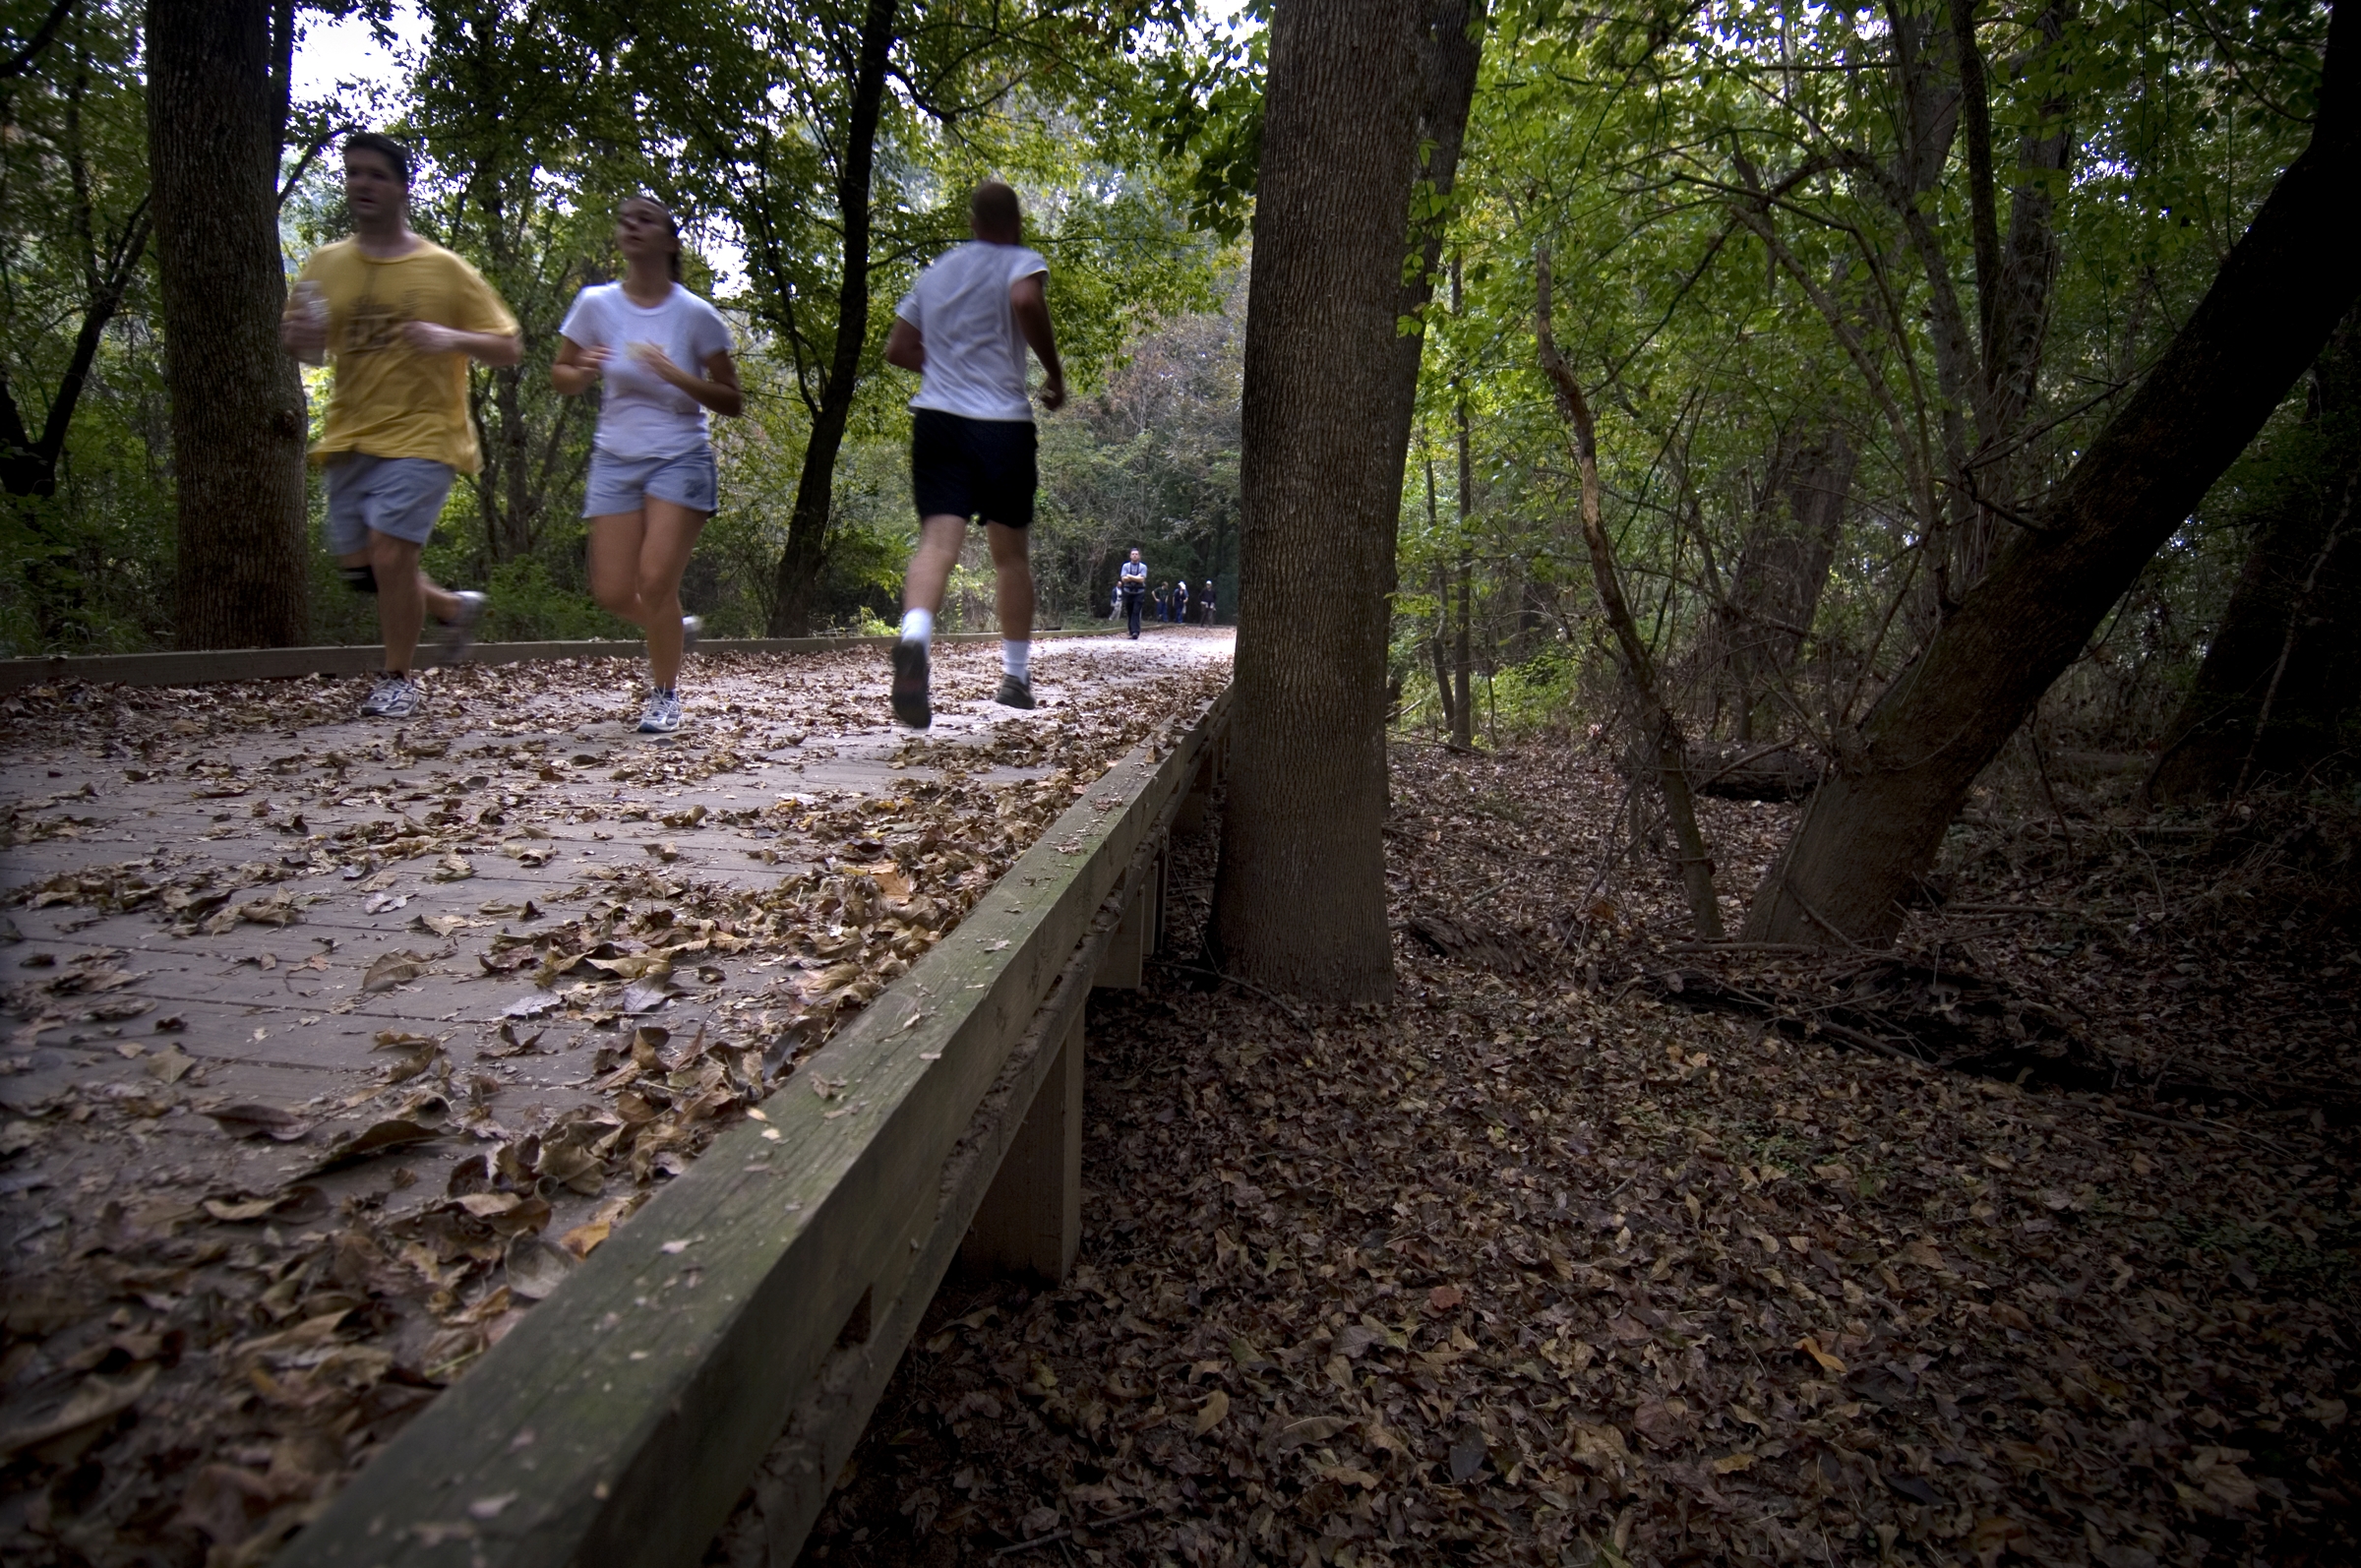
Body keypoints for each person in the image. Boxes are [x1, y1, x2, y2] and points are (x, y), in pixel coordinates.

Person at [281, 132, 518, 719]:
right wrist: (300, 340)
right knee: (362, 568)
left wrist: (449, 337)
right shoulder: (326, 265)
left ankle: (397, 679)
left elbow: (508, 345)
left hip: (426, 432)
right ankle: (449, 607)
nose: (362, 183)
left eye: (376, 175)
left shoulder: (443, 269)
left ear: (401, 188)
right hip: (351, 431)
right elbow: (308, 344)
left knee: (391, 556)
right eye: (354, 173)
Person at [552, 196, 743, 735]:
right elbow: (560, 375)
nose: (631, 226)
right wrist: (583, 369)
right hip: (615, 456)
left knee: (655, 580)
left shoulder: (694, 314)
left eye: (646, 219)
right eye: (625, 219)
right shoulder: (595, 305)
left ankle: (664, 694)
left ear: (669, 240)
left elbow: (731, 398)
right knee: (613, 591)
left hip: (680, 455)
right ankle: (675, 629)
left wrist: (675, 374)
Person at [882, 181, 1065, 728]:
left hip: (937, 421)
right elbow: (1026, 300)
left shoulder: (937, 272)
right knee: (1009, 554)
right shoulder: (1018, 260)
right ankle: (1015, 676)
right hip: (1001, 425)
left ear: (973, 221)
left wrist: (944, 371)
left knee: (938, 539)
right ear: (1015, 225)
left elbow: (898, 348)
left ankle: (915, 638)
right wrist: (1053, 374)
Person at [1119, 549, 1147, 638]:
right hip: (1128, 592)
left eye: (1136, 554)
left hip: (1139, 592)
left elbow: (1142, 579)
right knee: (1130, 611)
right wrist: (1136, 577)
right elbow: (1123, 579)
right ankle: (1131, 631)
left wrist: (1129, 576)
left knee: (1136, 611)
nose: (1134, 555)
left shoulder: (1143, 567)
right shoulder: (1125, 566)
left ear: (1139, 556)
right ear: (1130, 556)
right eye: (1133, 554)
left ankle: (1136, 632)